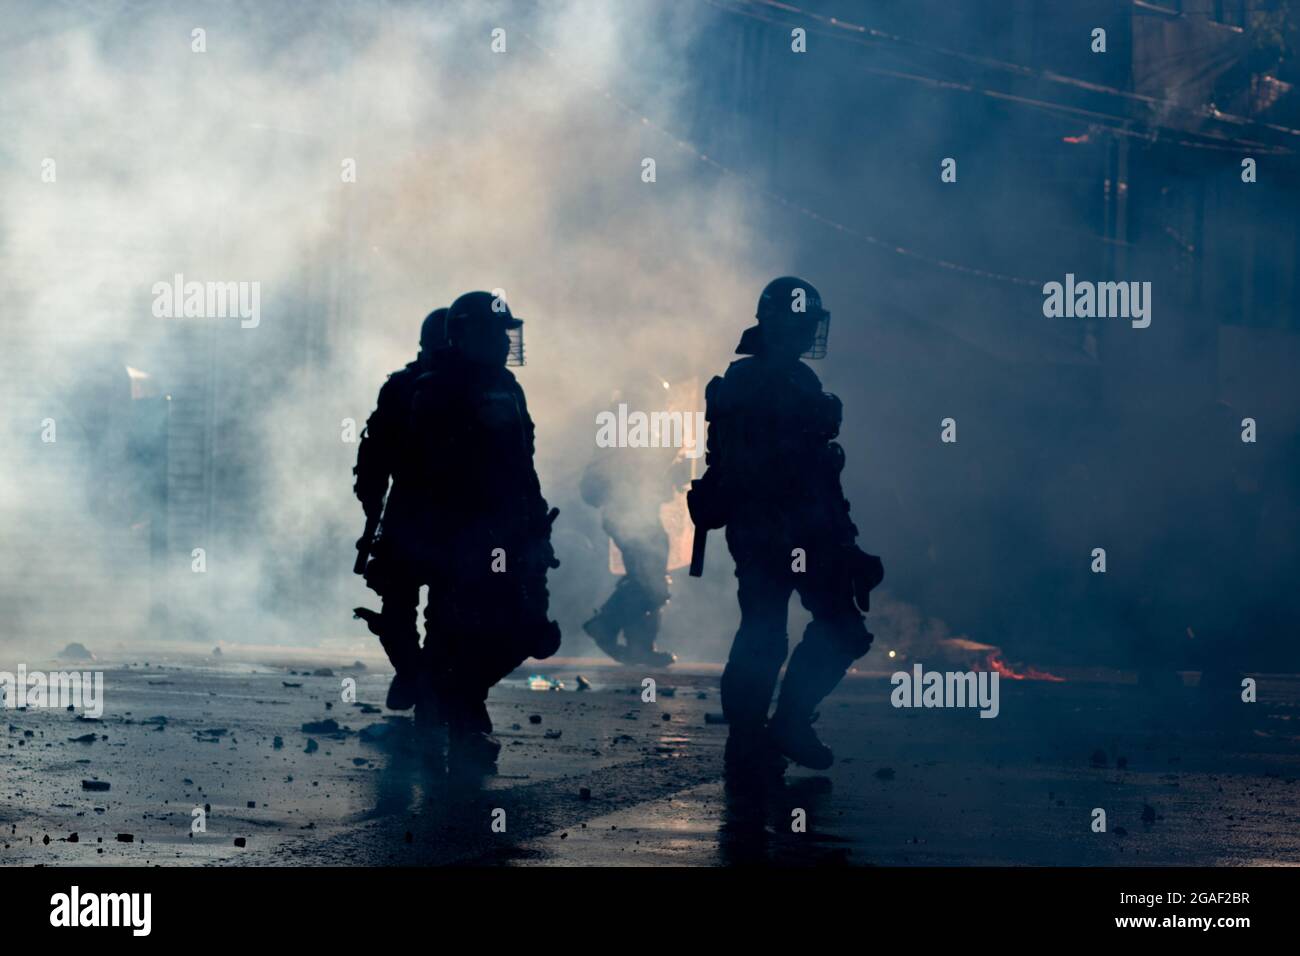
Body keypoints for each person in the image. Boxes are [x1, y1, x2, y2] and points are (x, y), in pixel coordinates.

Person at [688, 277, 883, 773]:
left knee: (842, 629)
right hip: (766, 528)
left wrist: (845, 539)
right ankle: (750, 739)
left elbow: (821, 470)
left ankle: (788, 723)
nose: (805, 335)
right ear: (776, 324)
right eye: (799, 324)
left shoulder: (801, 380)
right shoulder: (748, 382)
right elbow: (752, 466)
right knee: (764, 634)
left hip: (811, 529)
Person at [408, 290, 561, 768]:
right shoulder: (438, 388)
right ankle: (457, 724)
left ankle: (450, 707)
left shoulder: (510, 388)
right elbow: (430, 471)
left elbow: (523, 460)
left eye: (503, 332)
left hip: (509, 530)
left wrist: (533, 519)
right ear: (465, 336)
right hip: (461, 534)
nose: (501, 342)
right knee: (457, 630)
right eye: (490, 333)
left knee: (526, 631)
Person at [353, 308, 449, 711]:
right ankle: (413, 674)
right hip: (410, 513)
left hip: (453, 518)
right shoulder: (403, 387)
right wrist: (372, 508)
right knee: (398, 607)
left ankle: (429, 682)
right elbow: (376, 454)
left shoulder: (475, 388)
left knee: (448, 613)